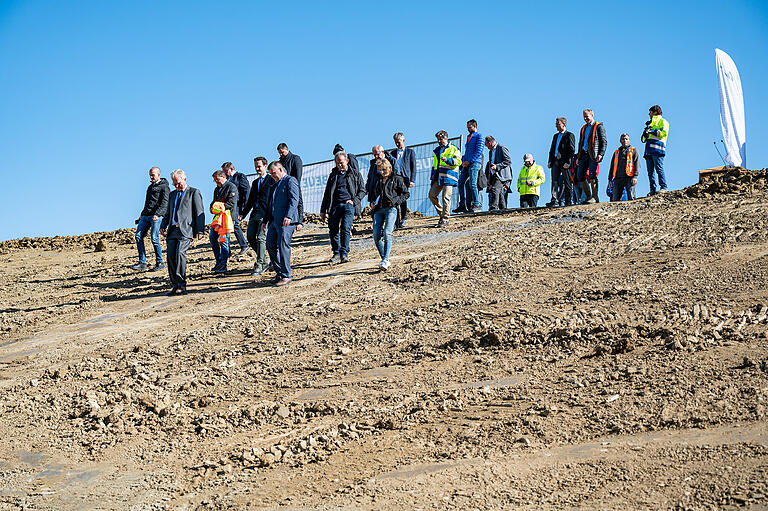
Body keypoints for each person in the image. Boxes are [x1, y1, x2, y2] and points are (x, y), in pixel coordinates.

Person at [160, 170, 205, 295]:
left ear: (185, 179)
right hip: (172, 230)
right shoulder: (172, 194)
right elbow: (168, 212)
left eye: (178, 183)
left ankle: (181, 284)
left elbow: (199, 212)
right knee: (170, 256)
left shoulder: (194, 192)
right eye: (174, 184)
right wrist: (163, 225)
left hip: (185, 230)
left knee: (180, 253)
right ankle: (174, 284)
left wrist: (200, 230)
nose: (176, 186)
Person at [320, 151, 366, 264]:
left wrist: (354, 201)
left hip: (348, 205)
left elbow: (363, 190)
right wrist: (323, 210)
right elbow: (327, 193)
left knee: (345, 228)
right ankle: (336, 253)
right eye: (337, 163)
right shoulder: (333, 175)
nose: (339, 165)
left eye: (341, 162)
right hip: (335, 206)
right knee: (333, 229)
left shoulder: (355, 174)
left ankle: (344, 253)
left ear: (347, 161)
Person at [264, 161, 300, 286]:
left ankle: (286, 275)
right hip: (274, 220)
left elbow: (294, 199)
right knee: (270, 245)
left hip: (286, 221)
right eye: (271, 174)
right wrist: (265, 220)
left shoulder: (290, 181)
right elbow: (271, 204)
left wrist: (289, 216)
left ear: (281, 169)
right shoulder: (276, 184)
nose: (273, 176)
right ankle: (279, 272)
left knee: (283, 246)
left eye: (274, 173)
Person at [370, 158, 409, 270]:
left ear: (389, 168)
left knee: (387, 232)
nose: (382, 172)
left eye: (384, 170)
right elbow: (373, 194)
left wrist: (395, 201)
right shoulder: (377, 180)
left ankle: (385, 259)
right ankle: (384, 258)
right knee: (376, 234)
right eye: (380, 170)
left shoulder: (396, 179)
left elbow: (406, 194)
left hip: (391, 209)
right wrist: (373, 202)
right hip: (378, 210)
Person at [240, 156, 275, 276]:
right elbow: (250, 200)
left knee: (261, 237)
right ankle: (265, 258)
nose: (257, 169)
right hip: (255, 213)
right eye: (255, 166)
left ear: (265, 166)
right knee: (250, 236)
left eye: (259, 166)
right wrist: (243, 214)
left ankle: (260, 263)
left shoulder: (271, 180)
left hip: (265, 214)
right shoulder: (255, 183)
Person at [133, 166, 170, 271]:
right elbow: (147, 202)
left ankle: (160, 262)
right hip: (146, 215)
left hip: (156, 216)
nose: (151, 177)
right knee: (138, 236)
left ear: (159, 174)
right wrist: (142, 214)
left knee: (154, 238)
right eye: (150, 175)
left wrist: (158, 214)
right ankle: (142, 263)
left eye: (153, 175)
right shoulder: (150, 187)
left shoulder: (164, 187)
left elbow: (165, 202)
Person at [429, 130, 461, 227]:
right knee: (431, 195)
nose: (439, 141)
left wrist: (448, 160)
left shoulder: (453, 148)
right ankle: (442, 214)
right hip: (438, 178)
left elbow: (458, 161)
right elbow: (435, 166)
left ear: (446, 138)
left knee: (446, 198)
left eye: (440, 139)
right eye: (438, 139)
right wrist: (432, 178)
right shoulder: (436, 150)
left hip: (449, 177)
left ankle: (445, 218)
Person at [576, 109, 607, 204]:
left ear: (592, 115)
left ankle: (594, 196)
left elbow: (603, 141)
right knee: (580, 175)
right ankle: (588, 196)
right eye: (584, 116)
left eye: (587, 116)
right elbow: (580, 142)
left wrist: (601, 154)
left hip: (593, 154)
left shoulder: (599, 127)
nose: (585, 118)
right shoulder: (583, 128)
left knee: (592, 174)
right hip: (583, 154)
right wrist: (578, 156)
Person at [210, 169, 237, 273]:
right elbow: (213, 202)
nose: (216, 182)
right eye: (215, 180)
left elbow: (232, 202)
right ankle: (218, 261)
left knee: (224, 241)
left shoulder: (231, 186)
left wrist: (220, 206)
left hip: (227, 218)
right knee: (212, 238)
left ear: (223, 177)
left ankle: (223, 264)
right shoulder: (217, 189)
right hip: (217, 219)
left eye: (217, 179)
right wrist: (212, 208)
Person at [454, 119, 484, 213]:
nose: (468, 129)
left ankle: (476, 203)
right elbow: (467, 152)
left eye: (470, 127)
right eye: (467, 127)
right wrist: (463, 162)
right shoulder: (469, 137)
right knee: (460, 182)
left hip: (474, 163)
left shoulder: (479, 136)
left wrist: (469, 161)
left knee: (473, 183)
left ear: (475, 126)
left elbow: (479, 151)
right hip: (467, 163)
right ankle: (462, 204)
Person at [388, 132, 417, 228]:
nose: (397, 144)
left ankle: (404, 218)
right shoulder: (392, 153)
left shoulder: (410, 152)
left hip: (405, 179)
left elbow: (413, 167)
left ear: (403, 141)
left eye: (399, 142)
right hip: (395, 179)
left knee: (403, 199)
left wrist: (412, 180)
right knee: (394, 198)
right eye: (395, 142)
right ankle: (395, 221)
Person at [222, 162, 251, 256]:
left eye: (226, 171)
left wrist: (243, 209)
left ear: (231, 169)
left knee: (235, 225)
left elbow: (246, 191)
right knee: (228, 225)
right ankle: (228, 250)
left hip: (237, 205)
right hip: (230, 206)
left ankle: (244, 245)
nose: (225, 173)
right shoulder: (227, 179)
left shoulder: (240, 176)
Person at [641, 104, 670, 195]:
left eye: (650, 112)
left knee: (659, 169)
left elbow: (663, 133)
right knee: (650, 172)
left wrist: (652, 131)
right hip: (649, 150)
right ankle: (652, 190)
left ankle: (664, 187)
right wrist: (646, 133)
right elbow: (645, 138)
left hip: (658, 149)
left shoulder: (663, 121)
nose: (649, 114)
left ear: (655, 112)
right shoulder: (650, 123)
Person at [547, 117, 576, 207]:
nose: (556, 126)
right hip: (555, 161)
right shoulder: (555, 136)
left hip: (564, 162)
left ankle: (568, 201)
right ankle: (554, 200)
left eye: (558, 124)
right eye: (556, 124)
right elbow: (552, 149)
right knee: (554, 181)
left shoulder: (569, 135)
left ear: (564, 124)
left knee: (567, 182)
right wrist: (550, 161)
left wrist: (569, 162)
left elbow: (571, 150)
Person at [277, 143, 304, 226]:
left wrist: (295, 184)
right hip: (283, 186)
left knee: (298, 201)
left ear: (287, 149)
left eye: (282, 152)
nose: (281, 154)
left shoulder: (295, 158)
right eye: (279, 153)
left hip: (293, 184)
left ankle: (299, 221)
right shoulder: (280, 161)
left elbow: (298, 173)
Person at [608, 133, 640, 202]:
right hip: (617, 178)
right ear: (620, 141)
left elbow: (637, 164)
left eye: (626, 139)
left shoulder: (633, 150)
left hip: (629, 177)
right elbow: (612, 166)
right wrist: (610, 179)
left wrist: (635, 176)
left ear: (629, 140)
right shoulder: (617, 152)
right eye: (623, 139)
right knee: (615, 199)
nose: (625, 140)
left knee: (631, 198)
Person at [484, 136, 512, 210]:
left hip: (501, 174)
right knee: (500, 193)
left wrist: (497, 166)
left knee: (495, 189)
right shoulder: (491, 152)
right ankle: (503, 208)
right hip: (494, 175)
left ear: (490, 143)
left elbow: (508, 161)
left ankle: (494, 208)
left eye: (486, 145)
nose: (486, 147)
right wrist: (489, 178)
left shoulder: (502, 148)